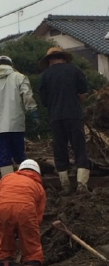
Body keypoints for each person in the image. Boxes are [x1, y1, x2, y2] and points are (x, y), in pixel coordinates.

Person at [0, 159, 46, 266]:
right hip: (26, 210)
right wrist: (27, 232)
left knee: (5, 248)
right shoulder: (38, 187)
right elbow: (38, 218)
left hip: (1, 210)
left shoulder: (6, 179)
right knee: (32, 250)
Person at [39, 47, 90, 194]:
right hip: (74, 115)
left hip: (55, 117)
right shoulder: (75, 70)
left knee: (60, 149)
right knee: (79, 147)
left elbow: (45, 101)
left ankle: (65, 185)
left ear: (50, 61)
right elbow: (83, 95)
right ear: (64, 58)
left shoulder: (45, 76)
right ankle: (82, 183)